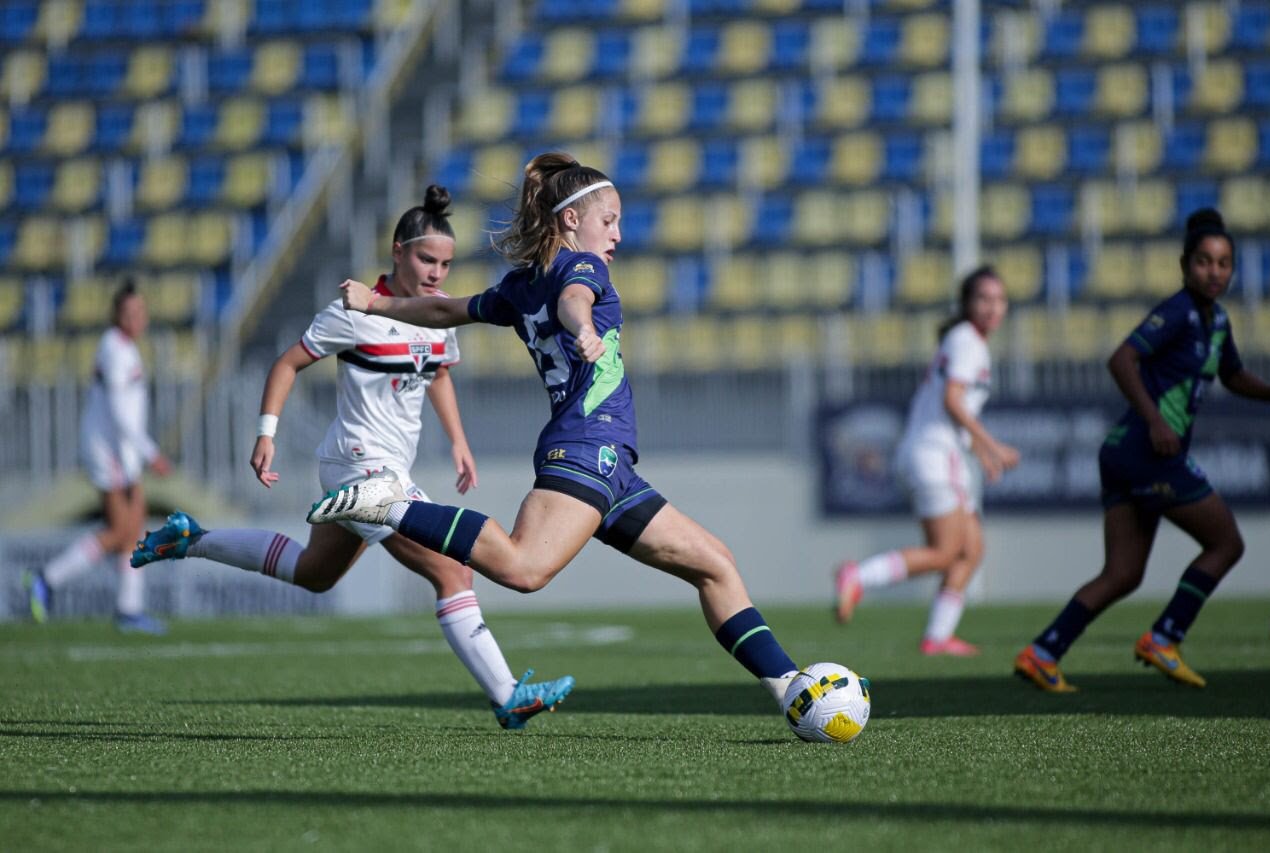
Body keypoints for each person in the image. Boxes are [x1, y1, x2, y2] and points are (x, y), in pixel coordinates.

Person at [307, 153, 809, 716]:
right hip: (586, 446)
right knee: (524, 568)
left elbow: (446, 309)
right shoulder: (583, 267)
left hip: (610, 462)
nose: (617, 234)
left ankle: (791, 687)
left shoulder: (521, 287)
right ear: (571, 221)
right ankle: (391, 506)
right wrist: (585, 326)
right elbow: (574, 301)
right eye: (609, 220)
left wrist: (377, 302)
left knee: (713, 563)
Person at [132, 186, 573, 730]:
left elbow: (436, 373)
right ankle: (507, 696)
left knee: (314, 573)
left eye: (445, 264)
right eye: (426, 259)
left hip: (381, 472)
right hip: (360, 469)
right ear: (397, 251)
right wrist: (266, 433)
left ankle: (190, 539)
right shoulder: (354, 314)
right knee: (454, 572)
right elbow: (286, 364)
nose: (437, 272)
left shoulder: (436, 319)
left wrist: (457, 440)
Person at [1015, 209, 1270, 692]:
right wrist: (1157, 420)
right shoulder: (1177, 312)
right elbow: (1121, 358)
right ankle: (1166, 636)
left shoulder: (1217, 320)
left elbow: (1234, 376)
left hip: (1124, 454)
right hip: (1149, 450)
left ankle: (1043, 651)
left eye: (1223, 263)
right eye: (1204, 262)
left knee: (1122, 573)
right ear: (1185, 265)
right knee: (1227, 544)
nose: (1214, 272)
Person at [833, 266, 1020, 656]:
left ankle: (937, 636)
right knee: (946, 551)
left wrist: (979, 452)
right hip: (935, 456)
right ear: (967, 304)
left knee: (971, 550)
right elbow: (953, 401)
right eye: (983, 298)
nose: (992, 307)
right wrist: (993, 445)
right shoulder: (968, 341)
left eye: (999, 299)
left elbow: (948, 407)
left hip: (932, 451)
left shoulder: (964, 341)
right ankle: (859, 576)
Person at [24, 280, 173, 634]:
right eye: (129, 312)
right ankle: (47, 578)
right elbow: (121, 414)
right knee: (122, 529)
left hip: (123, 452)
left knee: (132, 529)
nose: (137, 318)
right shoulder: (115, 350)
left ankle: (129, 609)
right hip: (112, 453)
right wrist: (150, 453)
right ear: (117, 316)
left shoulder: (124, 348)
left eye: (140, 311)